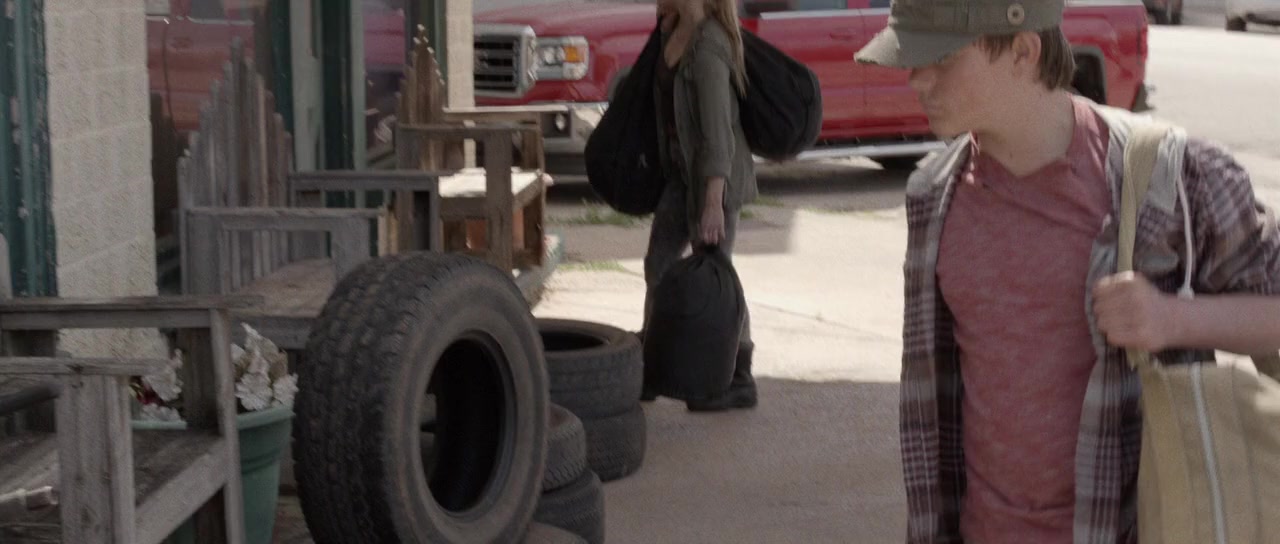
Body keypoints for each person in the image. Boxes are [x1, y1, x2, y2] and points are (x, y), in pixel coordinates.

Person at [854, 0, 1280, 542]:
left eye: (939, 59)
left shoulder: (1164, 179)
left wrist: (1171, 320)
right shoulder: (934, 194)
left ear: (1023, 51)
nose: (916, 79)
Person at [639, 0, 760, 412]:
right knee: (658, 264)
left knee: (718, 276)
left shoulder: (708, 45)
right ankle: (654, 364)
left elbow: (718, 134)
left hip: (715, 178)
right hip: (681, 174)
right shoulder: (673, 32)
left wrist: (713, 203)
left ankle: (738, 376)